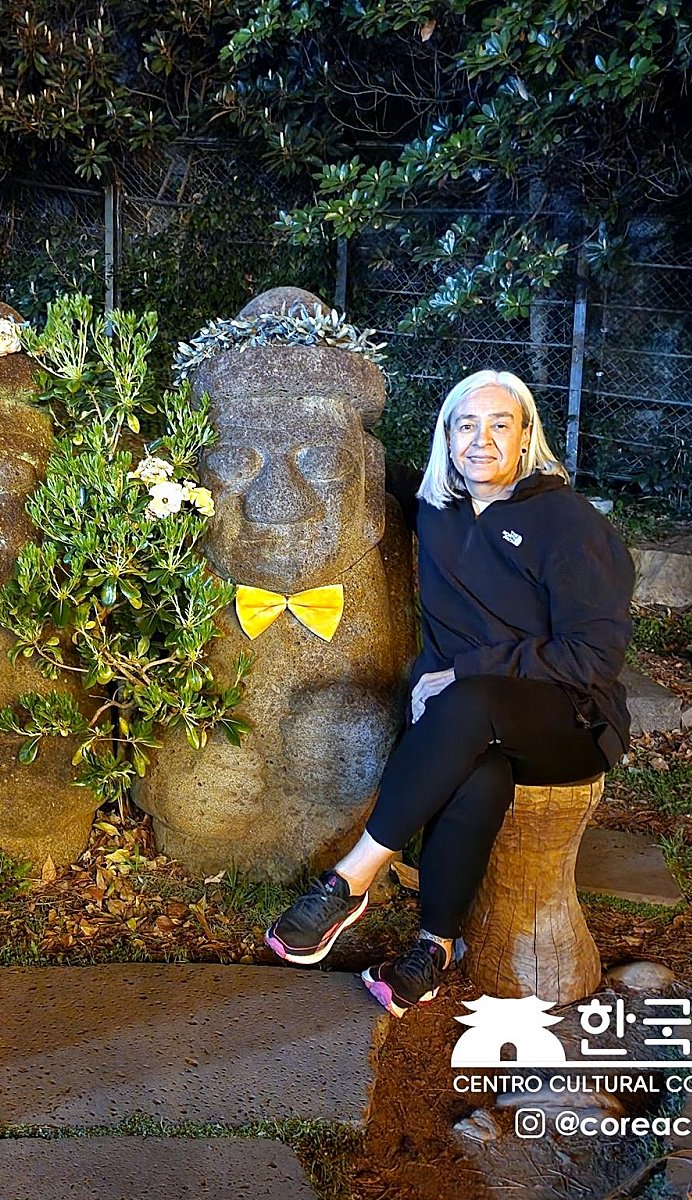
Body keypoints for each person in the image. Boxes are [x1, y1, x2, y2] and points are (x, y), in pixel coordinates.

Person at [264, 369, 633, 1013]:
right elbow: (349, 463)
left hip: (568, 721)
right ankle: (432, 950)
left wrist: (467, 670)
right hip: (468, 727)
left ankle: (350, 880)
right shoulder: (436, 506)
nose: (481, 440)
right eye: (466, 425)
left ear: (526, 437)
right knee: (478, 770)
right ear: (447, 437)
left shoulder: (568, 523)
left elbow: (593, 658)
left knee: (468, 701)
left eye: (499, 425)